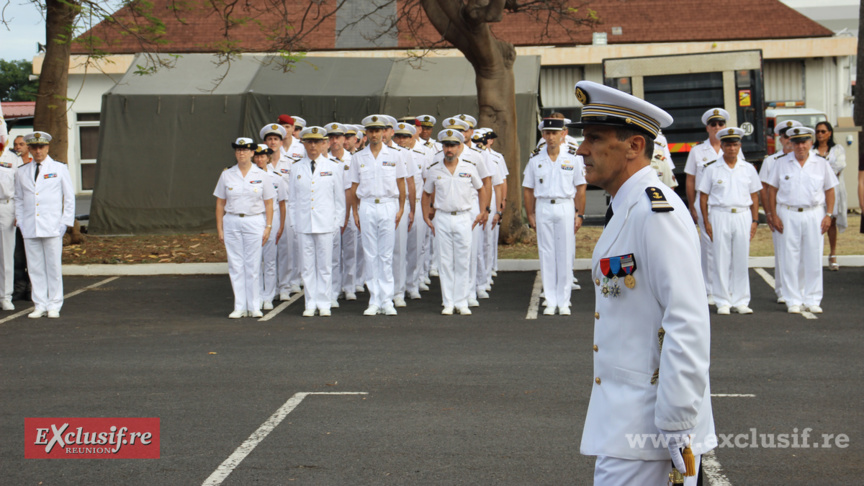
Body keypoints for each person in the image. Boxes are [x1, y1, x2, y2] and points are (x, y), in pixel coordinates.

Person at [572, 80, 715, 485]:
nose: (582, 150)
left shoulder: (657, 212)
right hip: (625, 423)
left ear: (635, 146)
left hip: (651, 429)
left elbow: (686, 319)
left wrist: (676, 423)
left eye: (595, 139)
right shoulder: (628, 208)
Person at [767, 127, 838, 314]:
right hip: (788, 213)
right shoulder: (781, 163)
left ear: (810, 143)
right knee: (789, 258)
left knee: (813, 257)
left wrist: (829, 215)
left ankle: (813, 298)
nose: (800, 146)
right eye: (796, 142)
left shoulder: (821, 164)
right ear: (791, 143)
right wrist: (774, 215)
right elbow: (772, 190)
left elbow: (830, 190)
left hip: (813, 213)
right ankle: (793, 299)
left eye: (804, 142)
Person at [523, 118, 587, 316]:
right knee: (547, 254)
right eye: (547, 133)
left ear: (564, 134)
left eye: (555, 133)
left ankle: (564, 301)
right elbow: (528, 188)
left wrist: (580, 213)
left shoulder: (573, 158)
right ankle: (550, 300)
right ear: (542, 135)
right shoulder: (535, 159)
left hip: (565, 206)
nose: (551, 137)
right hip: (543, 206)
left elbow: (581, 187)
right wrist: (530, 213)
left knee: (565, 254)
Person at [348, 115, 407, 316]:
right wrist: (355, 212)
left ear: (384, 132)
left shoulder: (394, 155)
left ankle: (387, 299)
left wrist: (400, 209)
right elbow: (353, 187)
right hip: (367, 206)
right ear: (366, 133)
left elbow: (401, 183)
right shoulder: (358, 157)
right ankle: (374, 299)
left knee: (386, 254)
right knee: (370, 254)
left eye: (378, 130)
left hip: (388, 205)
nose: (374, 134)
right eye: (371, 131)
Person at [698, 127, 761, 315]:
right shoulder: (711, 168)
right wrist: (707, 222)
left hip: (742, 214)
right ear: (722, 146)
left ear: (739, 146)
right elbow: (703, 196)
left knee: (741, 258)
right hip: (719, 214)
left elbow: (755, 196)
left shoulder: (748, 169)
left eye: (735, 144)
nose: (731, 148)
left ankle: (741, 300)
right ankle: (722, 300)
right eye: (728, 145)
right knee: (720, 258)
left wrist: (755, 220)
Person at [685, 108, 744, 306]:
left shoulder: (734, 148)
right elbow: (691, 180)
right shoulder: (697, 151)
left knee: (730, 249)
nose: (717, 127)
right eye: (713, 124)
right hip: (705, 206)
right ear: (707, 127)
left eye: (720, 124)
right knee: (709, 248)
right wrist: (692, 206)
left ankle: (727, 288)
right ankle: (709, 289)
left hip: (727, 204)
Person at [14, 132, 76, 319]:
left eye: (41, 147)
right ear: (30, 149)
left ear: (47, 147)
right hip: (31, 226)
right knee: (35, 268)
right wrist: (21, 222)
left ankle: (54, 304)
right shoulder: (22, 171)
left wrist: (65, 223)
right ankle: (39, 304)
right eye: (34, 147)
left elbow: (69, 197)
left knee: (53, 267)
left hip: (52, 226)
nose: (38, 151)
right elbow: (18, 198)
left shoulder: (58, 168)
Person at [422, 129, 484, 315]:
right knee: (445, 261)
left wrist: (482, 211)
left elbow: (482, 189)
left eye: (453, 146)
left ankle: (462, 301)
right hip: (442, 217)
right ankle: (448, 302)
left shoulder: (469, 167)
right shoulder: (434, 169)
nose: (449, 149)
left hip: (464, 216)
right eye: (446, 146)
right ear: (442, 147)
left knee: (463, 260)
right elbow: (426, 193)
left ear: (460, 147)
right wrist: (426, 215)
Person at [214, 137, 275, 318]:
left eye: (245, 150)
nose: (241, 153)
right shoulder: (227, 174)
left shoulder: (261, 174)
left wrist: (268, 226)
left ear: (252, 153)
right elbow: (220, 203)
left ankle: (254, 305)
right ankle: (239, 306)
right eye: (238, 150)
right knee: (235, 264)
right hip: (232, 220)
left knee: (253, 264)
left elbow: (269, 203)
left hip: (254, 221)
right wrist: (220, 229)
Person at [289, 127, 345, 317]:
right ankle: (310, 303)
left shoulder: (333, 167)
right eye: (309, 142)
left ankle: (324, 302)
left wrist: (337, 223)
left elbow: (339, 199)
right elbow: (292, 200)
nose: (313, 146)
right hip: (304, 224)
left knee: (325, 266)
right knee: (306, 266)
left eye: (316, 142)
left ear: (324, 144)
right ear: (304, 144)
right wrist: (293, 224)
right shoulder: (296, 167)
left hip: (326, 223)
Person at [760, 119, 802, 305]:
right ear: (780, 138)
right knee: (783, 253)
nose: (788, 139)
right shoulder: (772, 161)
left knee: (803, 254)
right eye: (785, 136)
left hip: (802, 212)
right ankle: (783, 290)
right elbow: (764, 189)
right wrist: (769, 214)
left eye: (792, 135)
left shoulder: (807, 160)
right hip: (781, 213)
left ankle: (801, 290)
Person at [253, 144, 287, 311]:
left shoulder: (277, 178)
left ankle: (269, 296)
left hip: (271, 222)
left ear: (268, 158)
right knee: (255, 262)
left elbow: (281, 204)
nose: (260, 159)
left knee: (270, 261)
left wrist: (280, 226)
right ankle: (258, 295)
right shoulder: (249, 175)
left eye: (263, 156)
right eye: (257, 156)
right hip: (254, 221)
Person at [812, 121, 847, 270]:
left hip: (833, 190)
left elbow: (838, 166)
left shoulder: (837, 149)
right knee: (815, 221)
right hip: (815, 190)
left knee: (831, 220)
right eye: (818, 131)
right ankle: (814, 254)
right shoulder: (811, 150)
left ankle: (832, 253)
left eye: (823, 131)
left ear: (830, 133)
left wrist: (820, 171)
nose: (820, 134)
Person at [0, 129, 17, 311]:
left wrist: (18, 212)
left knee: (5, 254)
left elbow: (20, 186)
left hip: (5, 206)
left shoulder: (12, 158)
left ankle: (5, 295)